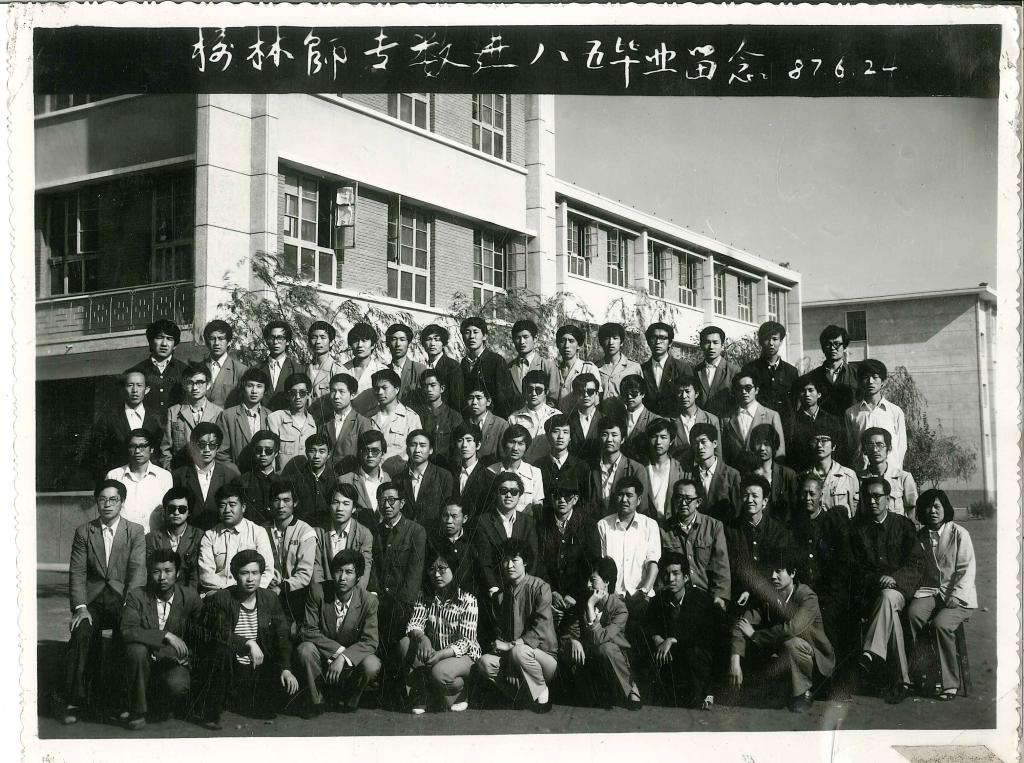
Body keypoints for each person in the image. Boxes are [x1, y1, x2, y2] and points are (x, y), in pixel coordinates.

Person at [61, 479, 147, 725]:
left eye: (113, 499)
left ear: (122, 502)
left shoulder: (135, 531)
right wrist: (80, 608)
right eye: (102, 499)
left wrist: (130, 606)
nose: (107, 504)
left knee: (126, 635)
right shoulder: (84, 532)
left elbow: (137, 572)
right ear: (96, 502)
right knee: (81, 632)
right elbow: (77, 572)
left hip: (123, 599)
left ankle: (123, 702)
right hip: (94, 600)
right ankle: (74, 700)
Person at [197, 549, 299, 729]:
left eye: (255, 573)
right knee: (220, 651)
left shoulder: (269, 598)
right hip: (231, 666)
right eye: (244, 573)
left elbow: (281, 636)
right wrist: (248, 642)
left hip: (258, 667)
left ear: (261, 575)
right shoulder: (222, 598)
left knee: (277, 706)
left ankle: (240, 700)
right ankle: (212, 711)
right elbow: (220, 634)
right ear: (235, 575)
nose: (250, 579)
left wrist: (286, 668)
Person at [730, 550, 835, 714]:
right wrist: (735, 660)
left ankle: (803, 693)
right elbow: (743, 623)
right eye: (771, 571)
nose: (773, 576)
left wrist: (755, 635)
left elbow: (792, 629)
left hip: (814, 658)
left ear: (792, 573)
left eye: (779, 571)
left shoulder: (808, 597)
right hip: (783, 652)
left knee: (792, 642)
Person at [850, 476, 925, 704]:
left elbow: (917, 563)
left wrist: (894, 578)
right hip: (870, 592)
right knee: (887, 608)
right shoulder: (857, 529)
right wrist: (877, 579)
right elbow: (854, 568)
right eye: (868, 497)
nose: (872, 501)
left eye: (877, 496)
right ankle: (903, 682)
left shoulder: (903, 525)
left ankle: (869, 653)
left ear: (888, 498)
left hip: (901, 589)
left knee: (888, 598)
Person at [120, 548, 203, 730]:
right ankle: (137, 712)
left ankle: (162, 704)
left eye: (168, 571)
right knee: (136, 650)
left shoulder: (190, 597)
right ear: (149, 573)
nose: (162, 577)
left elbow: (203, 635)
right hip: (144, 661)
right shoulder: (137, 595)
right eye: (156, 571)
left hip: (173, 661)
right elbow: (128, 630)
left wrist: (190, 657)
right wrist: (165, 635)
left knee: (177, 685)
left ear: (177, 573)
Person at [906, 489, 977, 701]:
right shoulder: (920, 536)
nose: (933, 511)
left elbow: (966, 569)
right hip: (932, 593)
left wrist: (957, 595)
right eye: (928, 507)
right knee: (912, 615)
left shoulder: (959, 534)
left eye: (937, 506)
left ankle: (950, 683)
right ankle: (925, 675)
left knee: (941, 625)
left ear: (945, 509)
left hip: (958, 596)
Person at [475, 539, 559, 713]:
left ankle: (542, 693)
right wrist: (509, 660)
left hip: (542, 659)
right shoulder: (500, 595)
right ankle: (522, 695)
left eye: (514, 560)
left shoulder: (540, 587)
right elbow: (500, 634)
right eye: (505, 560)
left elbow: (540, 629)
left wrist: (511, 647)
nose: (509, 565)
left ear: (525, 562)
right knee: (484, 663)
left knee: (519, 652)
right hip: (514, 656)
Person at [296, 549, 382, 716]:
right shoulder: (318, 591)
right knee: (305, 649)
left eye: (349, 572)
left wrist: (343, 657)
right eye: (338, 571)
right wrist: (338, 652)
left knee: (372, 664)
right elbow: (308, 630)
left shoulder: (369, 601)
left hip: (351, 664)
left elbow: (370, 641)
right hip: (322, 657)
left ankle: (349, 700)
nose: (342, 577)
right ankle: (316, 701)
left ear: (358, 577)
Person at [399, 548, 481, 713]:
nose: (436, 574)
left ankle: (460, 692)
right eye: (432, 569)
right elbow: (415, 622)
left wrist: (441, 655)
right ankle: (423, 695)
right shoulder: (424, 595)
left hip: (462, 655)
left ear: (454, 569)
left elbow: (466, 642)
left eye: (442, 568)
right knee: (405, 643)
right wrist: (423, 638)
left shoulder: (468, 600)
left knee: (439, 672)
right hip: (435, 652)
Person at [559, 556, 641, 710]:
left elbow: (600, 638)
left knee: (605, 648)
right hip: (589, 656)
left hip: (613, 660)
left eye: (593, 580)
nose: (588, 585)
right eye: (588, 580)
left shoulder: (619, 608)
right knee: (571, 648)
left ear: (607, 582)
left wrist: (590, 606)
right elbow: (569, 632)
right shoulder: (583, 601)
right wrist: (573, 641)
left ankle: (631, 687)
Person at [790, 472, 852, 658]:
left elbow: (842, 564)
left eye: (812, 493)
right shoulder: (793, 526)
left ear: (821, 495)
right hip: (802, 593)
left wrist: (828, 594)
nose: (807, 498)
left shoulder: (834, 524)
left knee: (829, 628)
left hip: (830, 594)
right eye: (804, 493)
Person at [644, 552, 717, 710]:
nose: (670, 579)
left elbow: (704, 635)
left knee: (694, 653)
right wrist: (658, 639)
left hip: (697, 657)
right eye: (666, 574)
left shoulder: (701, 599)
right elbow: (649, 625)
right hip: (671, 658)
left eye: (676, 573)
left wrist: (671, 640)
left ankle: (704, 695)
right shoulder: (658, 600)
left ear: (686, 577)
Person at [368, 482, 427, 662]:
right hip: (378, 600)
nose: (387, 505)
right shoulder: (375, 531)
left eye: (392, 500)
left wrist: (401, 605)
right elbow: (372, 567)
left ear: (402, 503)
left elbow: (414, 574)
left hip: (402, 604)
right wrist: (374, 594)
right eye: (382, 500)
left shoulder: (416, 531)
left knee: (393, 647)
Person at [594, 476, 660, 619]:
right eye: (620, 495)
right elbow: (602, 567)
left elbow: (653, 564)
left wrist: (643, 592)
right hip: (611, 598)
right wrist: (610, 597)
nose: (624, 500)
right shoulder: (603, 525)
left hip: (643, 598)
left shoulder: (650, 525)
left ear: (639, 500)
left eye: (629, 495)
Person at [724, 474, 794, 610]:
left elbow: (776, 566)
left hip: (771, 596)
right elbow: (731, 567)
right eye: (746, 495)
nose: (749, 500)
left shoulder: (778, 531)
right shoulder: (730, 530)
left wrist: (752, 590)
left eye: (755, 496)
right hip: (739, 595)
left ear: (764, 501)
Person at [659, 479, 731, 609]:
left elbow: (721, 566)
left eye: (688, 499)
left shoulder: (714, 526)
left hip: (706, 597)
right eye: (679, 498)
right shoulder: (663, 529)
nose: (683, 503)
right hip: (676, 598)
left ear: (698, 502)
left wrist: (719, 597)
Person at [474, 472, 543, 601]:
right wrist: (495, 591)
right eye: (503, 491)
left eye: (514, 492)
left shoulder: (529, 523)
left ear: (519, 495)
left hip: (524, 590)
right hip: (494, 591)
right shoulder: (482, 522)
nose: (509, 495)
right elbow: (484, 561)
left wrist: (524, 588)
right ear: (496, 493)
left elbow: (533, 560)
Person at [197, 484, 276, 595]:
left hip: (251, 594)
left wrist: (247, 593)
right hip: (219, 594)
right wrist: (229, 594)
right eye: (222, 505)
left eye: (232, 505)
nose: (227, 510)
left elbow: (267, 571)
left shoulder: (258, 532)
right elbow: (206, 574)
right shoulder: (209, 536)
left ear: (243, 507)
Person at [89, 370, 164, 480]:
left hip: (149, 478)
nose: (135, 390)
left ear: (147, 389)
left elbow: (161, 451)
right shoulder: (109, 418)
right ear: (123, 388)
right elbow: (98, 453)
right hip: (118, 478)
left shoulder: (157, 418)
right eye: (130, 385)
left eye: (139, 385)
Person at [535, 477, 590, 626]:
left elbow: (590, 564)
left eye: (568, 497)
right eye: (557, 496)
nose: (562, 501)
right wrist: (551, 591)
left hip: (576, 599)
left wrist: (575, 595)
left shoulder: (587, 525)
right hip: (547, 596)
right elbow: (537, 562)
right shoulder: (541, 525)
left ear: (575, 499)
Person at [265, 480, 318, 624]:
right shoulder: (261, 530)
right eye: (276, 500)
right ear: (270, 503)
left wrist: (282, 587)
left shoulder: (305, 531)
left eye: (286, 500)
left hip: (295, 596)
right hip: (266, 591)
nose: (281, 505)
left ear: (295, 503)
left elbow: (304, 575)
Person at [170, 422, 240, 530]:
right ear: (193, 446)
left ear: (218, 447)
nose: (207, 450)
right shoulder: (178, 476)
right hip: (189, 536)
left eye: (212, 445)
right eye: (202, 445)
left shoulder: (230, 476)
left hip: (219, 534)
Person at [159, 362, 224, 470]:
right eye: (190, 383)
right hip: (181, 471)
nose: (194, 388)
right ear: (184, 385)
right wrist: (172, 473)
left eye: (199, 382)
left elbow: (222, 450)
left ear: (208, 385)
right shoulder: (173, 412)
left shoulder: (219, 413)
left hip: (209, 471)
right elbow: (165, 450)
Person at [106, 428, 173, 531]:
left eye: (142, 446)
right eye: (133, 446)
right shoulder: (114, 476)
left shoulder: (164, 476)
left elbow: (169, 512)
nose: (137, 451)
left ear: (151, 449)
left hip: (154, 538)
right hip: (122, 537)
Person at [846, 359, 907, 471]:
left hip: (890, 472)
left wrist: (896, 470)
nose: (870, 381)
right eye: (866, 377)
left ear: (883, 381)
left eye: (875, 377)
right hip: (862, 473)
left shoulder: (895, 411)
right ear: (859, 382)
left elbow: (901, 446)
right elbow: (851, 446)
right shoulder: (851, 413)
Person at [312, 483, 374, 590]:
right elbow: (316, 569)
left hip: (352, 593)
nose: (340, 508)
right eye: (335, 502)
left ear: (354, 508)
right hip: (325, 592)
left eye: (346, 503)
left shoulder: (364, 534)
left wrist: (351, 597)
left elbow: (363, 572)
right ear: (329, 505)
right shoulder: (317, 532)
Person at [741, 321, 800, 432]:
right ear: (760, 341)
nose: (771, 343)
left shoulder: (791, 372)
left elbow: (795, 404)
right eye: (767, 339)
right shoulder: (749, 369)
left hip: (785, 427)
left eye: (775, 339)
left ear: (781, 341)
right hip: (758, 427)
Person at [125, 319, 189, 420]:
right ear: (150, 342)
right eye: (159, 337)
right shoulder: (135, 372)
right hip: (144, 428)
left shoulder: (185, 371)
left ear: (175, 345)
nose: (164, 343)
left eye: (169, 339)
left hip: (176, 427)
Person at [720, 372, 786, 467]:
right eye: (739, 388)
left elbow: (780, 451)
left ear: (756, 390)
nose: (743, 392)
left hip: (763, 471)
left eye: (748, 387)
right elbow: (723, 452)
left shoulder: (771, 416)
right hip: (736, 472)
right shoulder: (726, 419)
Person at [394, 430, 455, 533]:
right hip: (405, 536)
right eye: (413, 445)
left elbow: (447, 510)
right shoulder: (398, 479)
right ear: (407, 449)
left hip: (434, 536)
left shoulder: (444, 476)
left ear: (430, 450)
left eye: (422, 445)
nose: (417, 450)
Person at [681, 423, 741, 523]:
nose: (700, 447)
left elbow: (738, 512)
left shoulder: (732, 475)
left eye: (703, 442)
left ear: (714, 443)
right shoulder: (689, 475)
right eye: (696, 443)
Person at [787, 373, 849, 471]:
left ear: (819, 394)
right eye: (803, 391)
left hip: (829, 472)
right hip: (802, 472)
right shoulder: (791, 422)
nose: (807, 394)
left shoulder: (833, 421)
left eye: (811, 390)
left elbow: (840, 451)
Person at [588, 418, 650, 515]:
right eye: (605, 434)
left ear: (622, 439)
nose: (609, 439)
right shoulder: (589, 468)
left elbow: (642, 508)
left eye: (614, 435)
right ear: (599, 438)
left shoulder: (636, 469)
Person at [146, 488, 204, 589]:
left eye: (182, 509)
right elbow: (150, 574)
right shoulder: (151, 538)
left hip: (189, 593)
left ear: (189, 512)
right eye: (172, 508)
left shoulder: (199, 536)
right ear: (165, 511)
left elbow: (195, 577)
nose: (176, 513)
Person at [369, 368, 423, 475]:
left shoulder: (410, 417)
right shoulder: (368, 417)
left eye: (384, 388)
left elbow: (417, 453)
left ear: (396, 389)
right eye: (376, 388)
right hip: (372, 475)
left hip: (399, 476)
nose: (380, 392)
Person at [315, 372, 371, 475]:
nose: (336, 396)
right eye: (333, 391)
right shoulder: (323, 421)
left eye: (342, 392)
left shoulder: (362, 422)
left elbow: (366, 456)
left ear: (352, 395)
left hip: (351, 477)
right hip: (326, 478)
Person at [216, 367, 271, 471]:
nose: (254, 391)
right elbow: (221, 453)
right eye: (250, 386)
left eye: (259, 386)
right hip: (237, 474)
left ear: (265, 390)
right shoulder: (227, 416)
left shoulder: (270, 416)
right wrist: (234, 473)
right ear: (243, 388)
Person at [534, 415, 592, 508]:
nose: (560, 436)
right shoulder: (537, 466)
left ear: (570, 437)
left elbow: (586, 502)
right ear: (548, 436)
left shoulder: (582, 466)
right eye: (556, 431)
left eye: (565, 432)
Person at [281, 432, 338, 527]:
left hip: (326, 529)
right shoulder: (296, 478)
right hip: (300, 528)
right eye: (312, 451)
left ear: (328, 454)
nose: (316, 456)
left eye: (322, 451)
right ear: (306, 452)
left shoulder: (335, 479)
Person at [746, 423, 800, 524]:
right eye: (758, 443)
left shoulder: (788, 475)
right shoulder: (747, 475)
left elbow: (795, 510)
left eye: (766, 444)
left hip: (782, 528)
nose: (762, 448)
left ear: (774, 445)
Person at [859, 427, 919, 515]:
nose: (875, 450)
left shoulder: (903, 478)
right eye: (870, 445)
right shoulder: (858, 479)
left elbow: (912, 513)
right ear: (864, 450)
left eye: (880, 445)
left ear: (889, 448)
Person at [804, 325, 860, 418]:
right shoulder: (812, 377)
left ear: (844, 347)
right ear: (823, 348)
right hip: (823, 425)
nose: (832, 348)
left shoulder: (857, 374)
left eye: (837, 344)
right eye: (828, 344)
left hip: (850, 424)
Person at [640, 322, 695, 418]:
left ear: (670, 342)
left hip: (675, 421)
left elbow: (689, 399)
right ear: (648, 341)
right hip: (648, 422)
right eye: (654, 337)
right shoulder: (641, 369)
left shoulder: (682, 368)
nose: (658, 342)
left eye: (663, 338)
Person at [487, 425, 545, 513]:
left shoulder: (534, 473)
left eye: (520, 443)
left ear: (526, 447)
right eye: (511, 442)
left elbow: (537, 507)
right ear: (504, 443)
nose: (515, 448)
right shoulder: (490, 471)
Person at [460, 317, 511, 417]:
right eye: (467, 332)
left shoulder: (496, 361)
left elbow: (504, 399)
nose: (471, 336)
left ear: (484, 336)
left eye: (475, 332)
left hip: (492, 419)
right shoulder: (464, 363)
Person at [808, 422, 860, 519]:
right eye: (815, 440)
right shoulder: (804, 476)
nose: (819, 445)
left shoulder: (848, 475)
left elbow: (854, 511)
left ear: (834, 446)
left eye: (824, 440)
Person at [414, 368, 464, 469]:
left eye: (433, 385)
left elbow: (458, 452)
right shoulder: (415, 415)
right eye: (425, 386)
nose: (429, 389)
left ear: (442, 388)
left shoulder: (454, 417)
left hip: (446, 470)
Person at [337, 431, 389, 528]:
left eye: (375, 451)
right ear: (360, 452)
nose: (370, 455)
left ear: (382, 453)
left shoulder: (389, 480)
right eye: (366, 450)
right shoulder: (345, 480)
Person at [268, 372, 318, 471]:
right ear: (287, 395)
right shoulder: (275, 418)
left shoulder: (313, 422)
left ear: (308, 395)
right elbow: (271, 455)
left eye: (302, 393)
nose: (298, 397)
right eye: (293, 393)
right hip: (283, 478)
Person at [508, 369, 560, 462]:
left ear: (546, 392)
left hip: (548, 467)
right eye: (530, 389)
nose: (533, 394)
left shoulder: (556, 415)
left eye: (539, 390)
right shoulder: (514, 418)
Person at [504, 319, 554, 415]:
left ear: (535, 339)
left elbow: (553, 399)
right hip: (517, 418)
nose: (522, 342)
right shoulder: (509, 368)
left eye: (526, 337)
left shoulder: (548, 366)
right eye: (518, 338)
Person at [669, 374, 721, 466]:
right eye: (680, 392)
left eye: (687, 391)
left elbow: (718, 454)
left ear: (696, 394)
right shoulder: (669, 421)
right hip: (679, 470)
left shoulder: (711, 420)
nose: (684, 396)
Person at [430, 502, 479, 598]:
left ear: (465, 519)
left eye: (454, 516)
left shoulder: (473, 543)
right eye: (445, 516)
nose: (449, 521)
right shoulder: (432, 543)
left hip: (469, 600)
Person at [234, 430, 282, 527]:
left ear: (276, 453)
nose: (263, 454)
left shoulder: (282, 482)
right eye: (259, 450)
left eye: (268, 451)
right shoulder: (241, 482)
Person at [549, 324, 601, 413]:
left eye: (571, 341)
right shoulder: (553, 369)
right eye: (562, 341)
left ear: (578, 345)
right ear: (557, 345)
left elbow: (596, 402)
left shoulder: (588, 368)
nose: (566, 345)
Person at [450, 422, 494, 527]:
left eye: (469, 440)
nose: (464, 445)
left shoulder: (489, 478)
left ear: (478, 445)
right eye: (460, 440)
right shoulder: (449, 474)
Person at [642, 419, 684, 520]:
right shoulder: (640, 468)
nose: (658, 442)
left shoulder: (680, 469)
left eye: (663, 437)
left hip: (673, 525)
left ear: (671, 441)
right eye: (654, 437)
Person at [343, 322, 388, 416]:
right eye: (355, 340)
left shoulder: (382, 371)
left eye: (364, 340)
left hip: (371, 420)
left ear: (373, 345)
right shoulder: (342, 369)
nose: (360, 345)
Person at [203, 319, 248, 409]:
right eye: (212, 339)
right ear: (207, 341)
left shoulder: (241, 370)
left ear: (229, 341)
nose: (216, 343)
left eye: (221, 338)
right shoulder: (199, 368)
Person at [693, 325, 737, 418]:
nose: (711, 347)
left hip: (724, 424)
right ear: (701, 345)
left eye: (715, 342)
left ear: (722, 346)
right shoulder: (695, 371)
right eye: (707, 342)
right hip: (700, 423)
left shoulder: (734, 371)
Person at [597, 322, 642, 411]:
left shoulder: (634, 367)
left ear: (621, 342)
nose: (611, 342)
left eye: (615, 338)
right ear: (601, 342)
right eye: (606, 338)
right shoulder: (595, 368)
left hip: (626, 416)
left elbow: (640, 397)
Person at [257, 320, 302, 411]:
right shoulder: (256, 370)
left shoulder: (298, 369)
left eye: (280, 338)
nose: (275, 342)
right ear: (266, 341)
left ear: (287, 341)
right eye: (272, 338)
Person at [420, 324, 464, 411]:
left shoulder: (452, 366)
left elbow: (457, 401)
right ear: (423, 343)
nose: (432, 344)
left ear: (443, 343)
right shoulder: (423, 366)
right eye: (428, 339)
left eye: (437, 339)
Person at [619, 373, 661, 463]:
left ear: (643, 394)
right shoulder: (618, 419)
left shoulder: (655, 420)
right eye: (625, 393)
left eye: (634, 393)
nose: (629, 397)